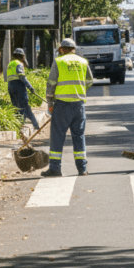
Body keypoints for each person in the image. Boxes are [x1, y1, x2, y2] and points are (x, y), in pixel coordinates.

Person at [42, 38, 94, 177]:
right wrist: (79, 91)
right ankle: (82, 169)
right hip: (79, 105)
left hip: (62, 105)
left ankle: (55, 168)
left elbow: (51, 84)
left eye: (60, 50)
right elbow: (90, 81)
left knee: (57, 137)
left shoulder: (59, 62)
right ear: (74, 49)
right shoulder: (83, 62)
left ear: (63, 49)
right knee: (79, 136)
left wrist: (50, 103)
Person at [7, 48, 39, 130]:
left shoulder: (10, 64)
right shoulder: (19, 64)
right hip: (18, 86)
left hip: (10, 86)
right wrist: (30, 87)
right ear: (22, 57)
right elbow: (22, 77)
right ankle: (34, 125)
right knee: (24, 106)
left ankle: (19, 125)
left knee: (16, 106)